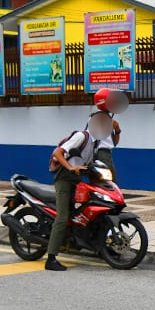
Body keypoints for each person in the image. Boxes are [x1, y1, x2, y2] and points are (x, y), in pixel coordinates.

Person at [45, 111, 112, 271]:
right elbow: (58, 152)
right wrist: (70, 167)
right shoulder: (82, 137)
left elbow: (88, 164)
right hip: (64, 179)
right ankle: (51, 258)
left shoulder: (95, 143)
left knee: (83, 213)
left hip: (77, 179)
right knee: (63, 217)